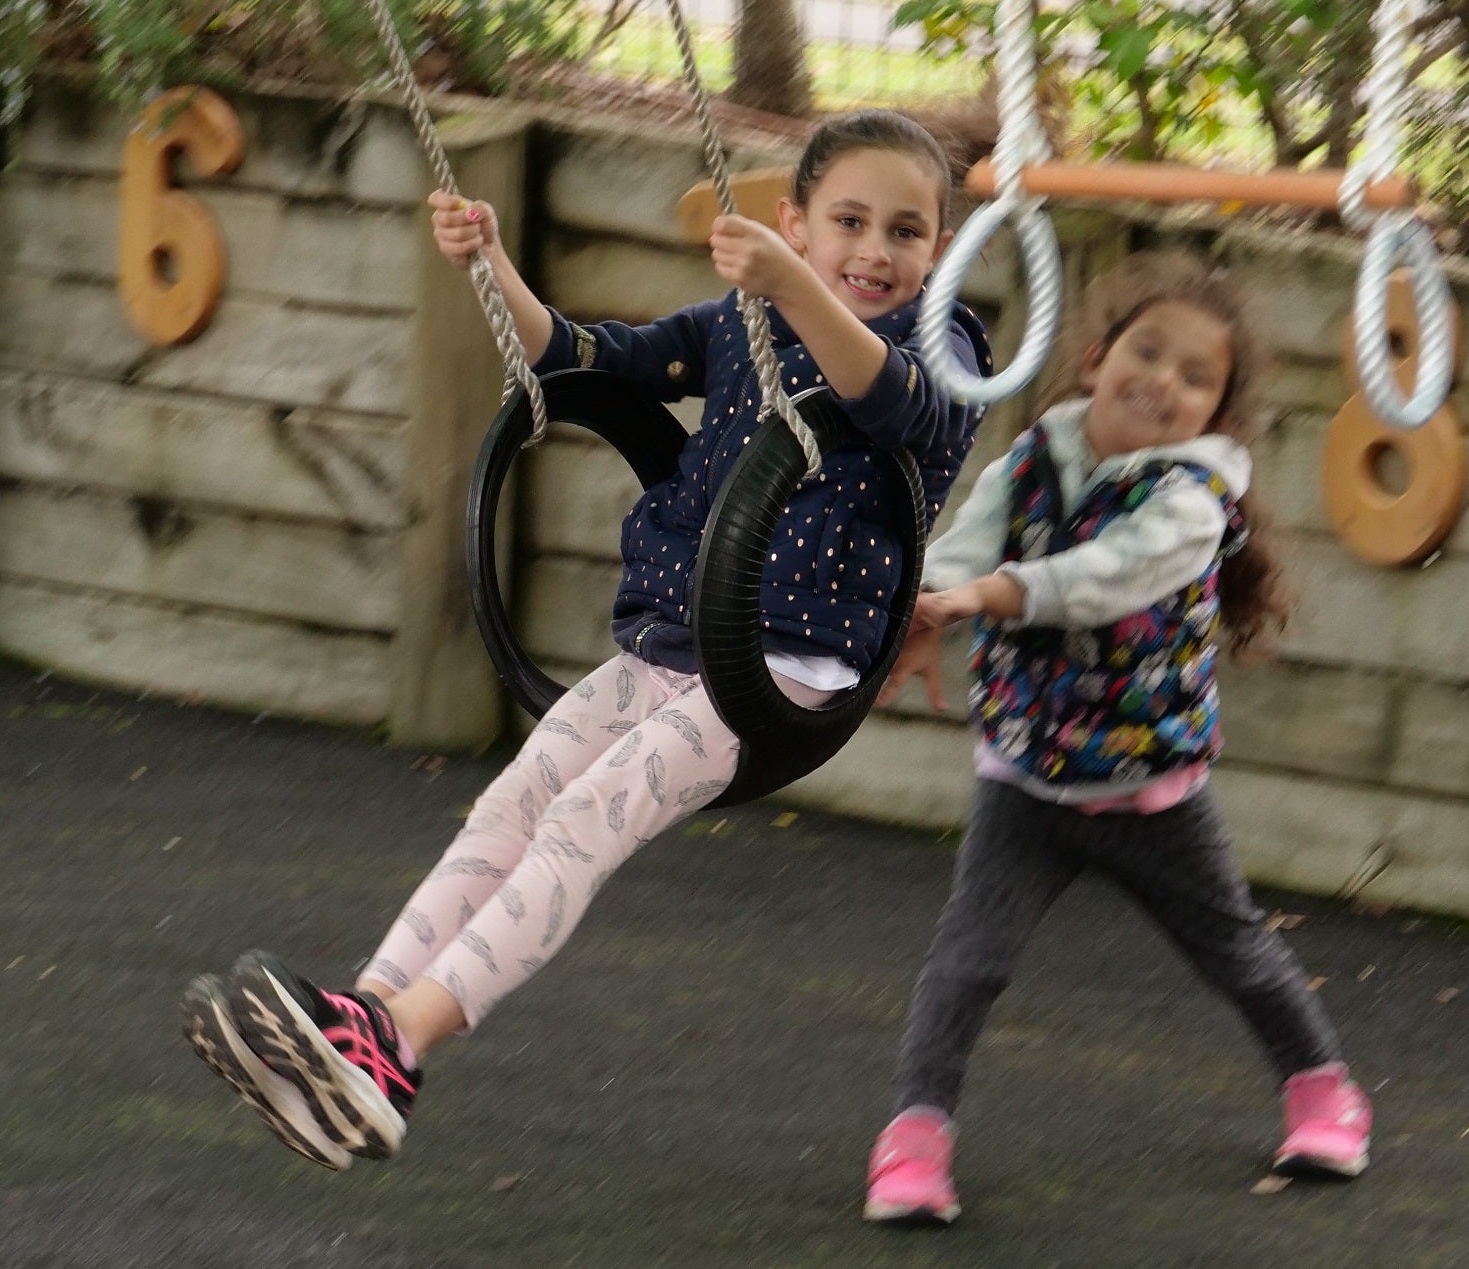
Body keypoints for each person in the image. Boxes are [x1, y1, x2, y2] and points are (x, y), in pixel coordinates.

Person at [181, 109, 992, 1172]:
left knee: (580, 821)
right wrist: (494, 265)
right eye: (848, 221)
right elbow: (581, 360)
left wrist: (793, 281)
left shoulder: (946, 345)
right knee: (513, 801)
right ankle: (364, 1020)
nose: (875, 251)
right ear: (793, 219)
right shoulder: (740, 320)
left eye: (906, 231)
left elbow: (894, 409)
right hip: (672, 644)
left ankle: (407, 1043)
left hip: (785, 671)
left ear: (940, 248)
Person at [861, 251, 1370, 1226]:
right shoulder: (1028, 464)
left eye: (1194, 377)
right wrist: (923, 604)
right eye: (1146, 351)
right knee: (966, 960)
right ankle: (913, 1137)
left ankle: (1320, 1089)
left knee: (1233, 950)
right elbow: (966, 547)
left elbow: (1099, 576)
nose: (1161, 381)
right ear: (1094, 358)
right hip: (1023, 779)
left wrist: (983, 596)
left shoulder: (1187, 502)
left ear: (1214, 414)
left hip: (1148, 789)